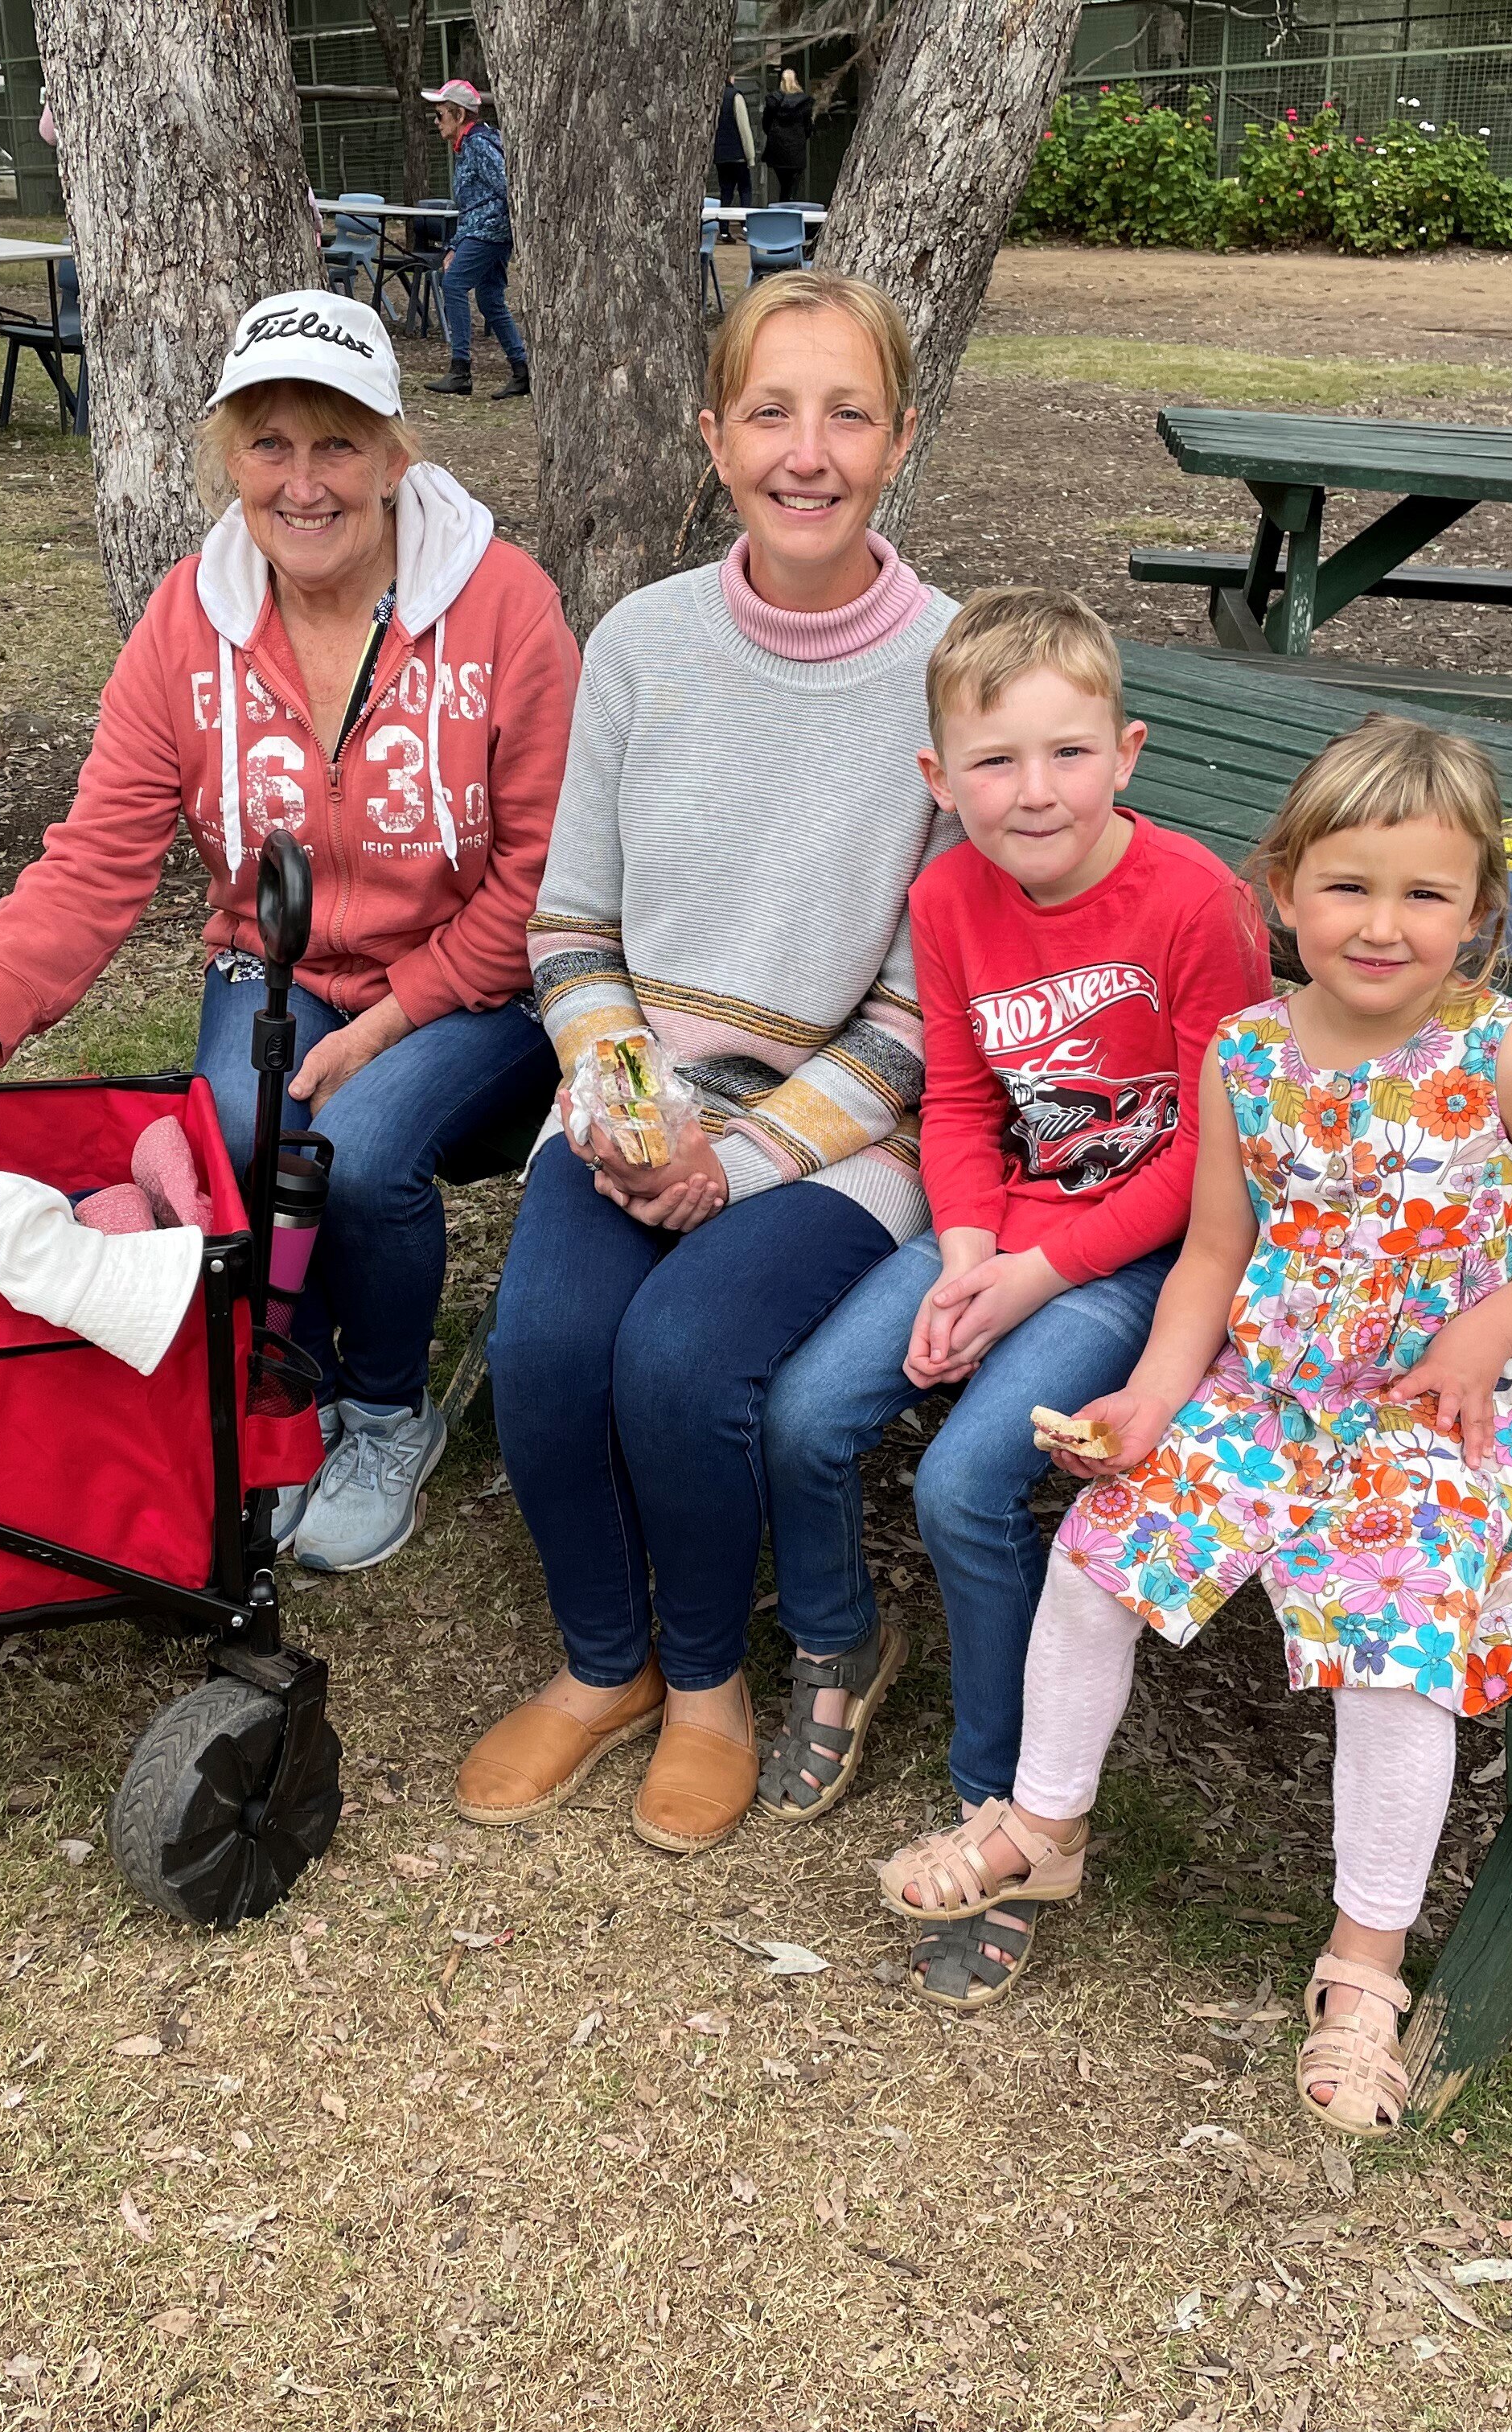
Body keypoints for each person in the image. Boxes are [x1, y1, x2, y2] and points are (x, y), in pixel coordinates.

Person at [873, 715, 1512, 2130]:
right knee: (1097, 1551)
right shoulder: (1245, 1053)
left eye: (1424, 894)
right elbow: (1212, 1253)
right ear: (1284, 891)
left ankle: (1364, 1964)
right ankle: (1043, 1821)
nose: (1382, 925)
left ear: (1479, 910)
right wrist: (1149, 1398)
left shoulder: (1505, 1054)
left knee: (1393, 1648)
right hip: (1279, 1384)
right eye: (1348, 886)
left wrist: (1486, 1330)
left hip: (1450, 1401)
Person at [0, 290, 574, 1573]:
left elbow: (545, 873)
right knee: (240, 1138)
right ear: (229, 458)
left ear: (396, 456)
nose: (304, 483)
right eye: (269, 444)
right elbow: (93, 861)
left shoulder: (505, 606)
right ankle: (297, 1384)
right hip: (277, 960)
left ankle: (386, 1410)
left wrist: (394, 1018)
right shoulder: (191, 621)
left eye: (338, 443)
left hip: (479, 978)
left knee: (360, 1147)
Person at [451, 271, 957, 1859]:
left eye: (847, 414)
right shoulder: (643, 643)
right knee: (543, 1346)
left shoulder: (951, 667)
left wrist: (729, 1164)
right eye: (770, 412)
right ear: (714, 436)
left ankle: (705, 1684)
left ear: (900, 439)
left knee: (680, 1360)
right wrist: (625, 1109)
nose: (808, 452)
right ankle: (602, 1661)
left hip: (841, 1132)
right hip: (637, 1102)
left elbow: (920, 1015)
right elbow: (569, 926)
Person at [759, 586, 1271, 2007]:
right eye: (994, 761)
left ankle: (1010, 1810)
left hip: (1144, 1259)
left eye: (1066, 753)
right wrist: (968, 1252)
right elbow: (961, 1101)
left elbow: (1216, 1152)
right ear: (940, 778)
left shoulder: (1197, 904)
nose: (1032, 790)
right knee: (804, 1413)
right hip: (997, 1234)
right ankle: (842, 1637)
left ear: (1126, 752)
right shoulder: (945, 899)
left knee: (965, 1483)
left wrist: (1037, 1272)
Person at [421, 77, 525, 400]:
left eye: (440, 115)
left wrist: (462, 242)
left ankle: (461, 370)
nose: (436, 122)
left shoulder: (478, 145)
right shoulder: (470, 145)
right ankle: (523, 370)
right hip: (489, 232)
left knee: (452, 284)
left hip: (489, 232)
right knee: (490, 299)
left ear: (460, 115)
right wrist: (457, 243)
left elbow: (507, 189)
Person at [762, 67, 815, 206]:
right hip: (796, 149)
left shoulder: (773, 101)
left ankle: (783, 205)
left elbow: (766, 124)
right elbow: (808, 126)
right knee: (792, 186)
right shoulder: (804, 103)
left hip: (778, 149)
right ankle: (789, 205)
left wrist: (774, 136)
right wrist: (800, 137)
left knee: (783, 183)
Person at [711, 80, 755, 216]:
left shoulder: (713, 95)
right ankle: (746, 224)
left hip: (720, 155)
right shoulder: (735, 96)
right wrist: (750, 157)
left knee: (726, 192)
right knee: (745, 189)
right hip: (738, 154)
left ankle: (723, 226)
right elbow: (744, 128)